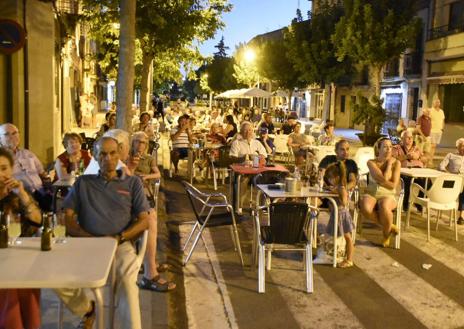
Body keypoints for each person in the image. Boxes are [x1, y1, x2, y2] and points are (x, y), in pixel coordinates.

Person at [56, 137, 150, 329]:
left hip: (120, 245)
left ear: (119, 154)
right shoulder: (83, 183)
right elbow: (68, 218)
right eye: (103, 154)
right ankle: (86, 309)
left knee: (128, 284)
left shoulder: (132, 183)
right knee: (54, 273)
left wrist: (119, 238)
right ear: (95, 157)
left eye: (112, 153)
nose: (108, 158)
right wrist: (88, 238)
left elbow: (145, 221)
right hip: (85, 245)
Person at [0, 147, 42, 329]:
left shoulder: (19, 195)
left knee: (24, 286)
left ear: (12, 169)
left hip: (20, 259)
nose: (0, 174)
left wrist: (22, 194)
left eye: (3, 168)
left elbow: (37, 220)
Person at [359, 137, 401, 248]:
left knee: (384, 206)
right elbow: (381, 179)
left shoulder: (396, 163)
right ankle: (389, 225)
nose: (388, 149)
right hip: (372, 192)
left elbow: (393, 185)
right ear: (379, 149)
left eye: (390, 147)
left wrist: (389, 166)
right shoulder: (371, 162)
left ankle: (386, 234)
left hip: (389, 194)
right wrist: (388, 168)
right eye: (385, 147)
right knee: (365, 207)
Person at [0, 123, 52, 211]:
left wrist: (48, 183)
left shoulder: (28, 153)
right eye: (6, 134)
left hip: (40, 192)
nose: (12, 136)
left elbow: (42, 173)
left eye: (14, 133)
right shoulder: (2, 159)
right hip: (18, 195)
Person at [323, 161, 354, 268]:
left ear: (337, 177)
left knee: (347, 237)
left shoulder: (341, 188)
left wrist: (336, 193)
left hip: (341, 215)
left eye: (331, 178)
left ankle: (349, 259)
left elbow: (345, 202)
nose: (329, 180)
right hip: (336, 214)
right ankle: (338, 254)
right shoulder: (337, 187)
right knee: (336, 235)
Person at [392, 130, 426, 211]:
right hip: (404, 171)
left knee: (428, 183)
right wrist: (406, 157)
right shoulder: (396, 148)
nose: (410, 139)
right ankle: (405, 205)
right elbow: (393, 160)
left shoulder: (417, 148)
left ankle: (418, 202)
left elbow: (425, 159)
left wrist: (418, 157)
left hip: (417, 171)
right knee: (407, 182)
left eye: (411, 137)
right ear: (402, 139)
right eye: (408, 137)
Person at [439, 138, 464, 224]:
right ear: (457, 147)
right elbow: (441, 166)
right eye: (462, 146)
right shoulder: (451, 155)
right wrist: (448, 173)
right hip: (452, 179)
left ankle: (461, 216)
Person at [429, 98, 445, 164]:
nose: (437, 103)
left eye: (438, 102)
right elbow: (428, 120)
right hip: (432, 130)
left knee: (434, 146)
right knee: (431, 146)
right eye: (436, 102)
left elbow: (443, 120)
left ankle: (431, 160)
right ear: (433, 103)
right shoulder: (430, 110)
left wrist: (442, 129)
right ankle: (429, 161)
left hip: (439, 131)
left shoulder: (441, 111)